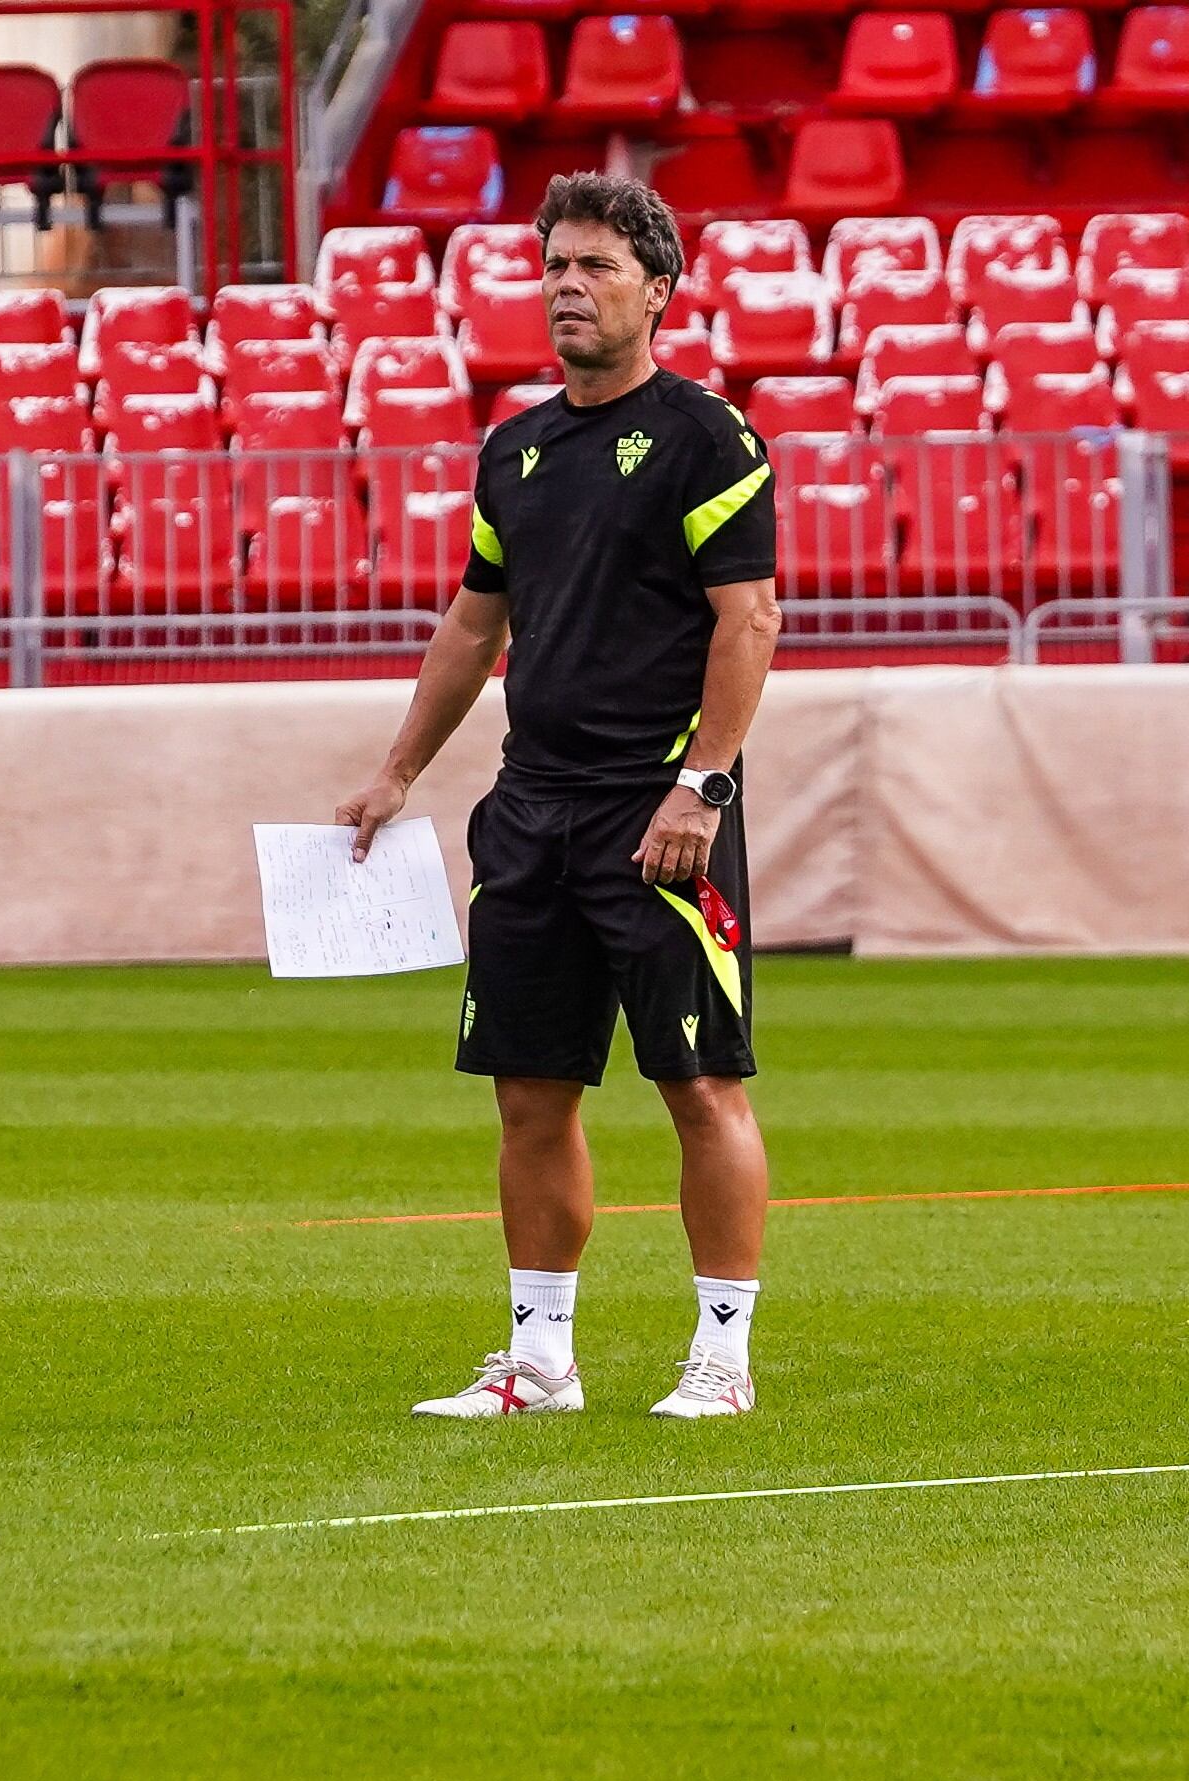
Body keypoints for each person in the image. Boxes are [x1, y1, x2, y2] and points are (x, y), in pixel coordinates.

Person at [335, 172, 782, 1421]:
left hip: (659, 814)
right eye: (554, 268)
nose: (567, 288)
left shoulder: (708, 438)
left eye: (594, 267)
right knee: (528, 1089)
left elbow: (747, 622)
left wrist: (702, 787)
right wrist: (396, 772)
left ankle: (722, 1360)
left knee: (698, 1085)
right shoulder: (514, 451)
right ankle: (539, 1361)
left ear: (658, 289)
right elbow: (474, 628)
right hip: (530, 814)